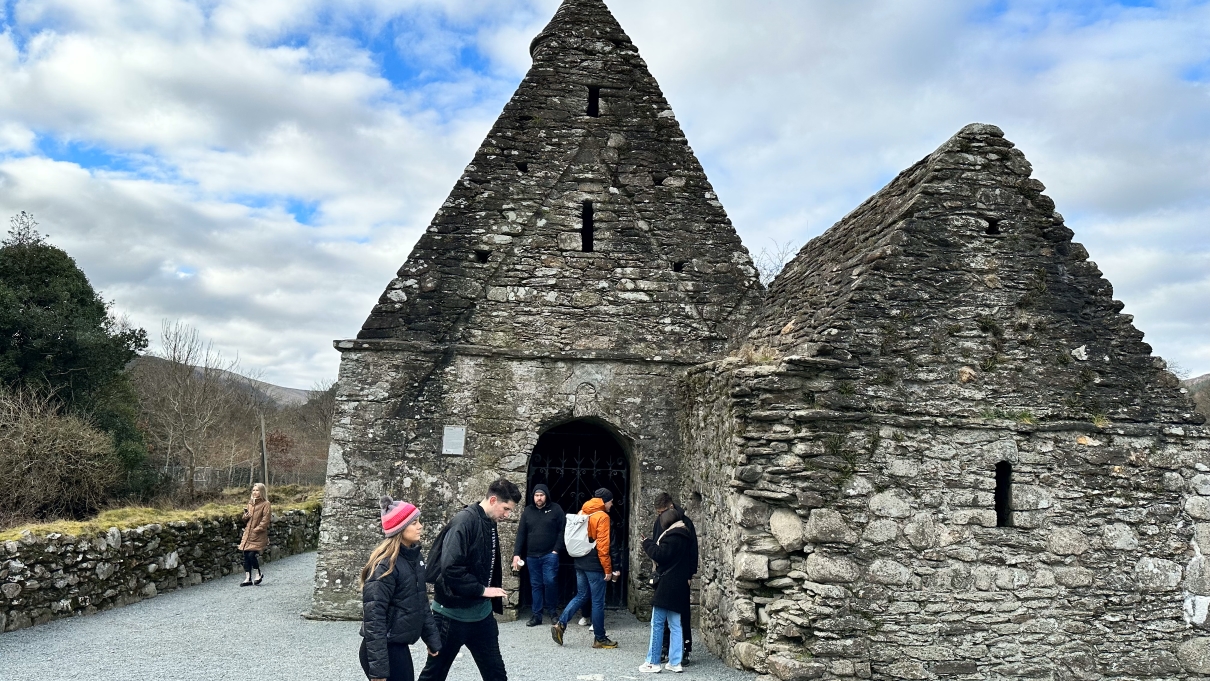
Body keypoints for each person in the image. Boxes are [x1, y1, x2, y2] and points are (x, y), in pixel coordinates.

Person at [417, 478, 522, 681]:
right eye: (506, 508)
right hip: (449, 618)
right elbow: (450, 568)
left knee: (496, 675)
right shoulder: (463, 522)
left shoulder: (489, 520)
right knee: (433, 676)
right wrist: (483, 590)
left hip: (481, 617)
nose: (507, 515)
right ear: (493, 500)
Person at [360, 496, 441, 681]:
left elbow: (421, 602)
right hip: (384, 650)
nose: (420, 526)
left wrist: (432, 639)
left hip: (398, 646)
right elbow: (374, 618)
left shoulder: (415, 559)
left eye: (419, 521)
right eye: (414, 522)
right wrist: (379, 669)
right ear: (400, 528)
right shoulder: (385, 566)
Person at [551, 488, 621, 649]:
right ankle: (600, 638)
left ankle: (560, 624)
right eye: (610, 501)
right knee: (597, 602)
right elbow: (603, 547)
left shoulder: (583, 511)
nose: (612, 504)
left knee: (581, 595)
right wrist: (608, 569)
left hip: (580, 560)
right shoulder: (602, 516)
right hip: (595, 564)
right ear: (604, 501)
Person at [639, 507, 696, 674]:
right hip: (680, 585)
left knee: (657, 623)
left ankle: (653, 662)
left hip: (667, 585)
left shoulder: (672, 537)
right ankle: (675, 661)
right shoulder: (686, 535)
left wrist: (647, 543)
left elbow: (661, 555)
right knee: (675, 624)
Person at [652, 493, 698, 662]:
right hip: (664, 572)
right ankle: (665, 646)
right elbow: (658, 544)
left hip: (679, 573)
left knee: (680, 612)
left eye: (661, 511)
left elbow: (692, 551)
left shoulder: (686, 523)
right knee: (664, 612)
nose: (659, 515)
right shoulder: (660, 522)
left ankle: (684, 649)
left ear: (670, 507)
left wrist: (689, 573)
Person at [512, 483, 565, 626]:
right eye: (536, 495)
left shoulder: (556, 510)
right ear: (533, 496)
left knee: (550, 582)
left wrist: (556, 550)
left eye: (541, 495)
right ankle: (537, 616)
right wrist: (517, 554)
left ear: (546, 496)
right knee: (536, 585)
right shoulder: (528, 511)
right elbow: (521, 534)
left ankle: (553, 612)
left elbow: (563, 530)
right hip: (532, 555)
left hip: (550, 554)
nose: (539, 498)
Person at [238, 482, 271, 587]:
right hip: (248, 533)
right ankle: (248, 578)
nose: (255, 492)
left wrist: (257, 529)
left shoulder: (266, 504)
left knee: (252, 555)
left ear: (262, 492)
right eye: (254, 490)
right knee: (246, 555)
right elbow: (245, 520)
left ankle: (258, 573)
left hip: (258, 534)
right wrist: (245, 516)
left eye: (257, 490)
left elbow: (266, 520)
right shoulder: (250, 504)